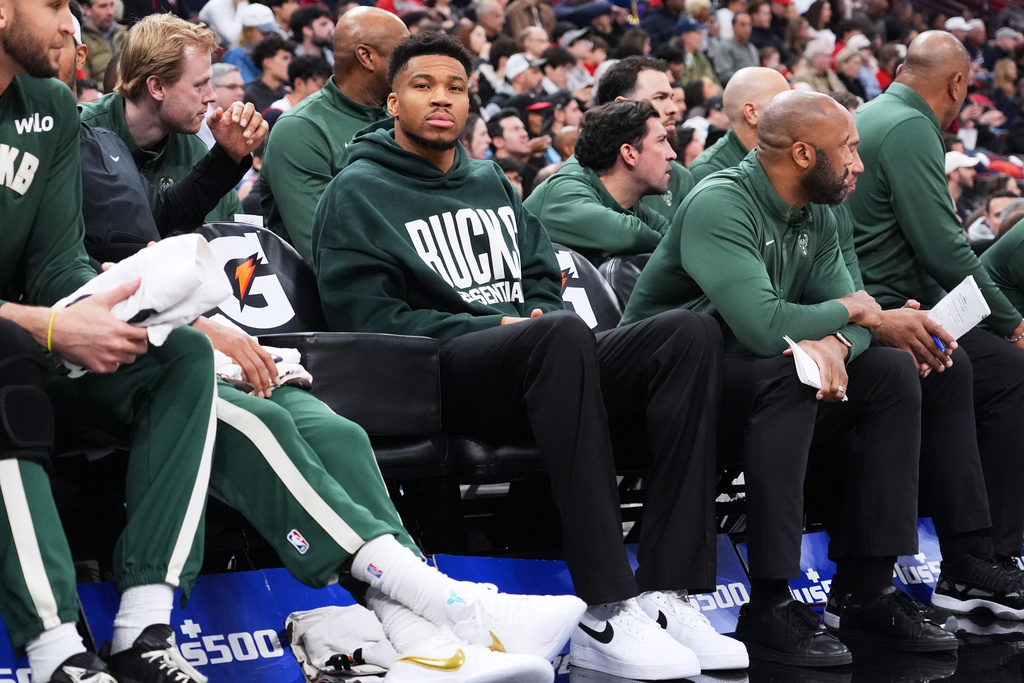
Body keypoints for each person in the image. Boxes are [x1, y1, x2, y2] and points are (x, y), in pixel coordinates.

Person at [313, 30, 749, 680]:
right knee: (560, 336)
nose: (441, 99)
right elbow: (368, 321)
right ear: (393, 102)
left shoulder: (489, 179)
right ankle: (606, 605)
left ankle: (666, 590)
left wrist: (535, 316)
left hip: (538, 355)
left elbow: (543, 275)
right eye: (423, 86)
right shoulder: (356, 192)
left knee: (687, 336)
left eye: (455, 87)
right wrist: (500, 324)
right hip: (440, 373)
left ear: (470, 102)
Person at [622, 89, 958, 665]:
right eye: (847, 149)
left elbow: (863, 319)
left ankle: (865, 590)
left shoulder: (819, 208)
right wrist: (848, 317)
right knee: (791, 376)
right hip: (668, 395)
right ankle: (770, 603)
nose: (857, 163)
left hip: (751, 380)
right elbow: (767, 327)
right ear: (803, 154)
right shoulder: (720, 202)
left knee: (889, 371)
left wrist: (835, 340)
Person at [0, 0, 221, 680]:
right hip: (13, 345)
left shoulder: (50, 107)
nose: (70, 25)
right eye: (51, 5)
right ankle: (56, 652)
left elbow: (56, 264)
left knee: (181, 353)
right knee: (7, 357)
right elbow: (39, 318)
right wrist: (47, 325)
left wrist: (121, 297)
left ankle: (143, 629)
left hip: (29, 332)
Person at [847, 30, 1024, 618]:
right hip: (885, 313)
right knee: (1002, 370)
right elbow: (943, 247)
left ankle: (981, 558)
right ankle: (976, 560)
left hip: (890, 302)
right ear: (957, 84)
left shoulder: (878, 113)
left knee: (995, 369)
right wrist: (1012, 322)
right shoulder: (911, 125)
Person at [260, 7, 409, 262]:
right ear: (366, 57)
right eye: (403, 54)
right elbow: (325, 249)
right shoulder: (300, 129)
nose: (413, 65)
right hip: (336, 284)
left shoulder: (404, 115)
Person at [79, 14, 244, 222]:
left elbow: (234, 234)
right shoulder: (80, 134)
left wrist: (231, 155)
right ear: (157, 87)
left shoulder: (196, 151)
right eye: (199, 85)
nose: (211, 96)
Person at [524, 101, 675, 262]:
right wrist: (666, 247)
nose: (672, 154)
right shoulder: (563, 192)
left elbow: (674, 241)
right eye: (661, 141)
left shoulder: (634, 209)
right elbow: (631, 235)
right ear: (629, 154)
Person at [595, 56, 696, 222]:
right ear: (623, 106)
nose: (673, 109)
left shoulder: (680, 178)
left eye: (671, 98)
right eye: (659, 98)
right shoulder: (580, 176)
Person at [689, 65, 789, 182]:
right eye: (785, 104)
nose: (794, 111)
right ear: (752, 113)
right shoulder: (709, 171)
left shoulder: (790, 154)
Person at [242, 34, 294, 114]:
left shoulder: (289, 94)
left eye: (291, 58)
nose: (291, 63)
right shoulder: (249, 94)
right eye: (285, 58)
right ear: (268, 63)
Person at [266, 54, 331, 113]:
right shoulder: (277, 113)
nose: (326, 92)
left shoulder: (317, 112)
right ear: (298, 83)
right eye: (320, 86)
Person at [79, 0, 124, 82]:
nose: (110, 12)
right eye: (103, 6)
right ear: (87, 9)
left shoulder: (125, 34)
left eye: (112, 5)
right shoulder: (81, 40)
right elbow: (85, 83)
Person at [714, 12, 759, 84]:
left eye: (749, 25)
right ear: (733, 27)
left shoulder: (752, 48)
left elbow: (757, 69)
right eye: (743, 25)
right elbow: (724, 75)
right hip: (735, 87)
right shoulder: (725, 46)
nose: (747, 28)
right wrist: (747, 79)